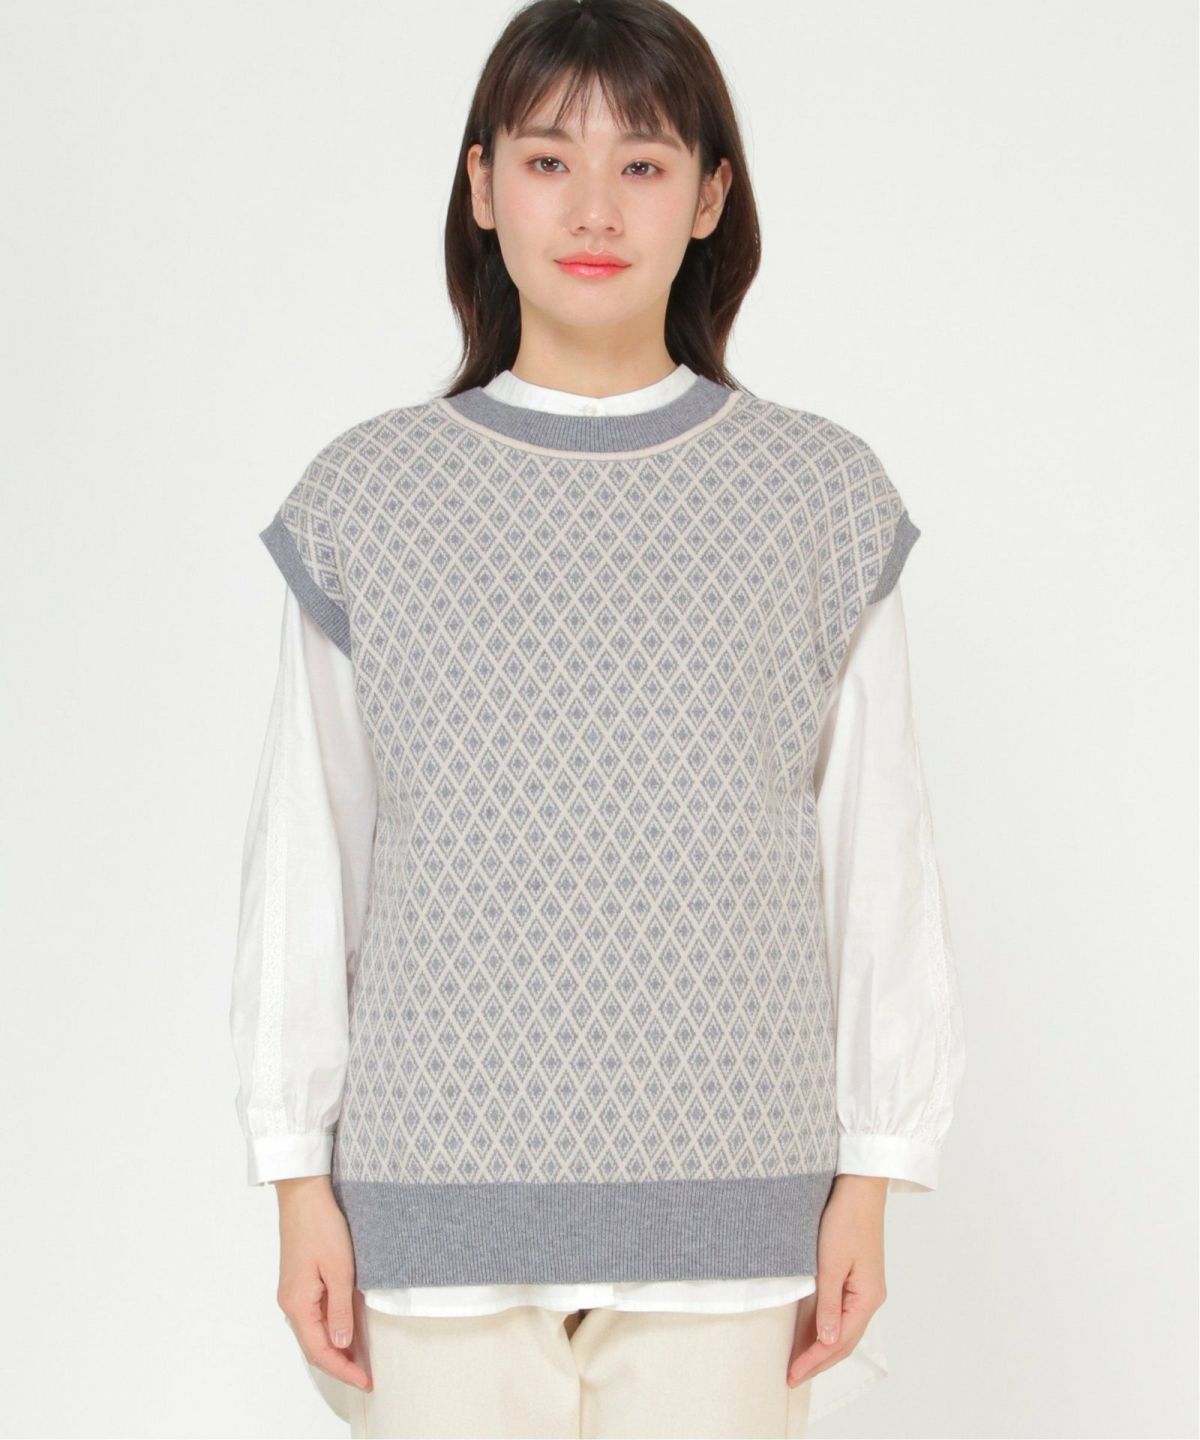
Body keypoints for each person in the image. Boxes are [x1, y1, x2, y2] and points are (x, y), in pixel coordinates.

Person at [229, 2, 966, 1436]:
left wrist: (876, 1171)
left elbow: (876, 856)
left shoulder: (816, 495)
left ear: (710, 196)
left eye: (642, 164)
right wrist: (294, 1175)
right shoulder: (368, 496)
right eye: (549, 159)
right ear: (482, 184)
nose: (592, 209)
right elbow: (311, 859)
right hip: (433, 1196)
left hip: (736, 1195)